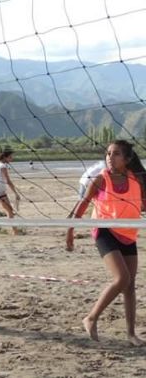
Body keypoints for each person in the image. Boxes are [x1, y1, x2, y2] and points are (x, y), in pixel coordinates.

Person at [66, 141, 146, 345]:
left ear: (127, 159)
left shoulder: (136, 179)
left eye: (116, 154)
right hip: (104, 230)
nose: (110, 157)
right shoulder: (101, 179)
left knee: (130, 285)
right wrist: (70, 230)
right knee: (122, 278)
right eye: (108, 153)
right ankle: (91, 317)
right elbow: (83, 204)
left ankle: (131, 334)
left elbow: (143, 204)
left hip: (128, 232)